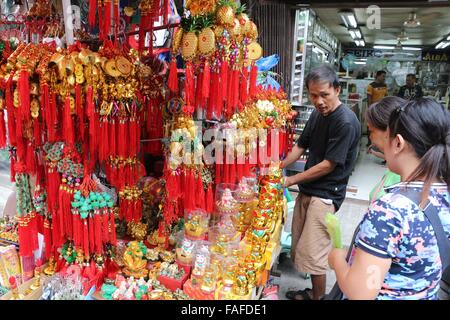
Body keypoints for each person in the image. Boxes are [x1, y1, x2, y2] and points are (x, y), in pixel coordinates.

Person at [328, 98, 450, 300]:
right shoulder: (444, 194)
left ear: (398, 143)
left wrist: (338, 259)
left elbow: (361, 294)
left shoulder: (391, 209)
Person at [281, 64, 361, 300]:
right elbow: (301, 145)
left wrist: (290, 180)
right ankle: (312, 293)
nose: (319, 101)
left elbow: (329, 164)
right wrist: (280, 167)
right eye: (313, 95)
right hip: (309, 190)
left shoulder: (345, 121)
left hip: (326, 195)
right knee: (302, 246)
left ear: (337, 90)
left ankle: (318, 298)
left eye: (324, 94)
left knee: (314, 255)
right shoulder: (318, 114)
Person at [366, 97, 404, 202]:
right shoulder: (395, 168)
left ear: (389, 132)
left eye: (371, 131)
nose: (370, 137)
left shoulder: (403, 178)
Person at [366, 71, 387, 146]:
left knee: (380, 126)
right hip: (373, 108)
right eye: (383, 76)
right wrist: (370, 110)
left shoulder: (384, 85)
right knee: (371, 125)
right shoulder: (371, 86)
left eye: (385, 76)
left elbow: (385, 96)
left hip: (382, 109)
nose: (384, 78)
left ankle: (379, 142)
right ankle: (369, 142)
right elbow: (369, 98)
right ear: (377, 76)